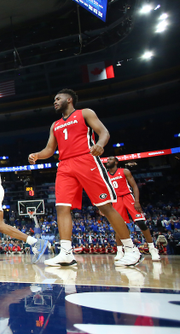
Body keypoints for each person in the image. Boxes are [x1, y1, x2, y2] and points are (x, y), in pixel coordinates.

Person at [28, 88, 141, 267]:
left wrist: (100, 144)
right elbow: (50, 150)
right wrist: (37, 155)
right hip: (64, 166)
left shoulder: (85, 113)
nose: (55, 102)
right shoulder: (55, 125)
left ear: (69, 99)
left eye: (58, 98)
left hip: (86, 160)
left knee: (105, 207)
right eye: (54, 100)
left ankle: (131, 248)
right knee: (61, 207)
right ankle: (66, 252)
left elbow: (104, 132)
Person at [105, 156, 160, 261]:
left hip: (128, 196)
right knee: (119, 226)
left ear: (116, 162)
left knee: (141, 223)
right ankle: (120, 251)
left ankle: (152, 249)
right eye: (107, 160)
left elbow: (134, 186)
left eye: (110, 160)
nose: (108, 161)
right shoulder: (106, 175)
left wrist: (137, 201)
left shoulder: (124, 171)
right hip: (116, 200)